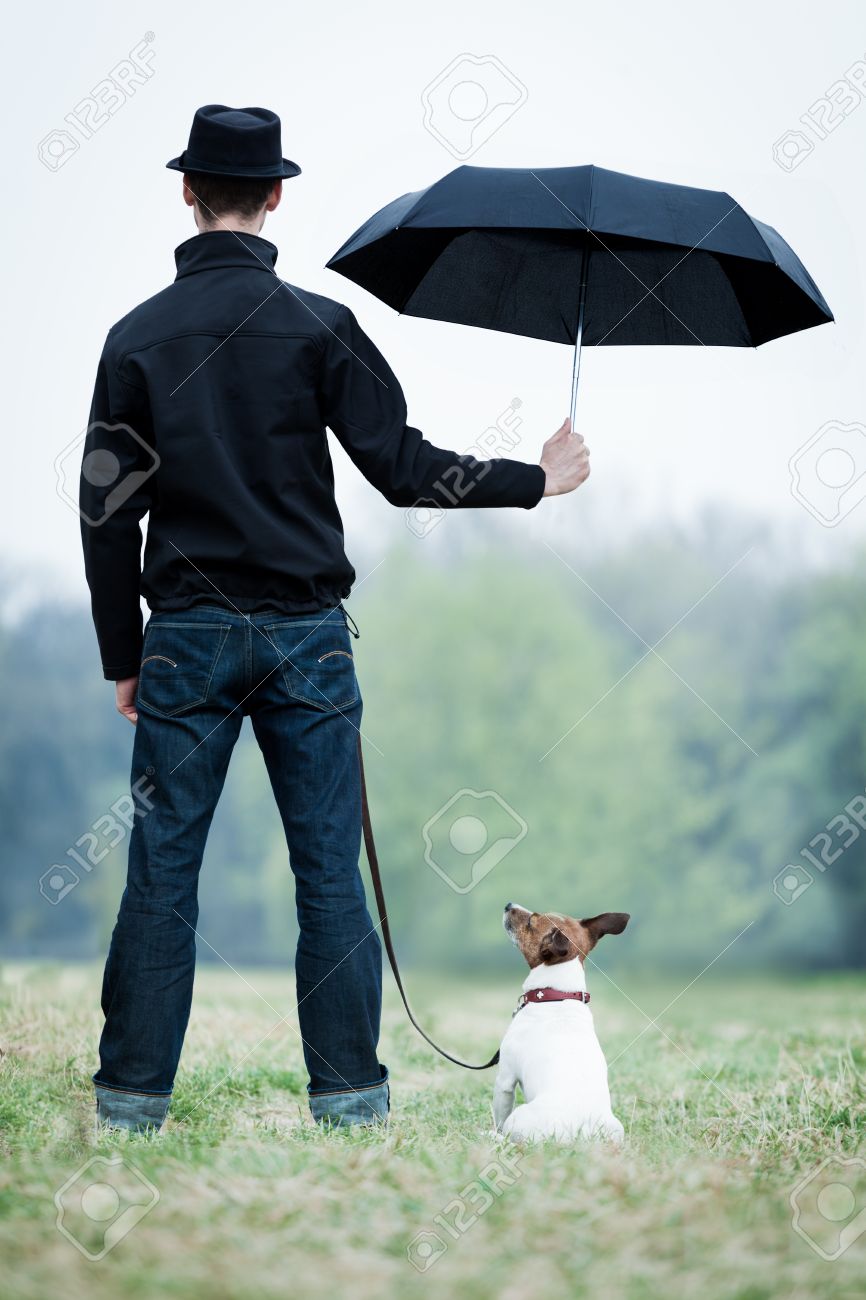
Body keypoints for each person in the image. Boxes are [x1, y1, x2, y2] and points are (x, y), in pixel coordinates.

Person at [79, 104, 591, 1132]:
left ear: (187, 192)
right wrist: (532, 480)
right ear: (276, 196)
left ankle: (131, 1105)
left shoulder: (133, 337)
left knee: (160, 875)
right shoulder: (319, 326)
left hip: (183, 634)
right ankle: (350, 1105)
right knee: (328, 876)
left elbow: (103, 509)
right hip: (307, 640)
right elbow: (402, 470)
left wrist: (123, 656)